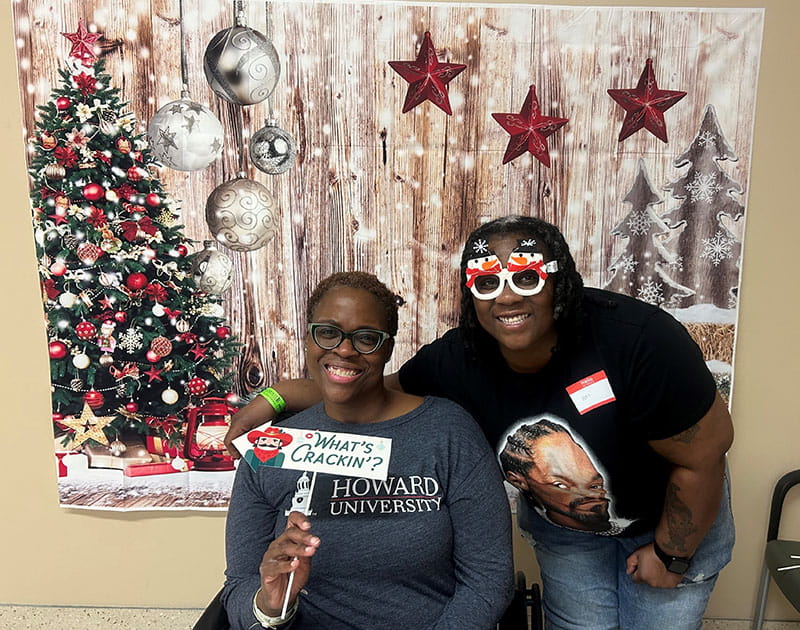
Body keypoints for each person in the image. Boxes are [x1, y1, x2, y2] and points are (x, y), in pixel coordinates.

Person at [226, 216, 735, 629]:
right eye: (488, 282)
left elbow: (703, 457)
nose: (507, 297)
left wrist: (671, 555)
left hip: (673, 521)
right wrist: (275, 395)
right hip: (570, 529)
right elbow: (367, 383)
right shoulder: (461, 359)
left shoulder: (638, 339)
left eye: (527, 277)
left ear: (560, 282)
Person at [222, 271, 514, 630]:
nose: (344, 349)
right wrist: (269, 604)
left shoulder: (449, 432)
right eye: (327, 332)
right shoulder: (269, 449)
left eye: (365, 338)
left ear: (388, 347)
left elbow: (489, 581)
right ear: (309, 338)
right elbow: (238, 590)